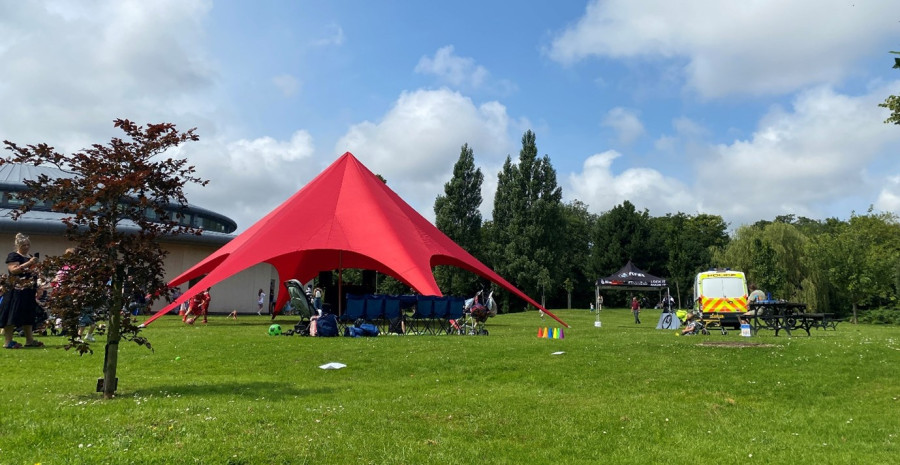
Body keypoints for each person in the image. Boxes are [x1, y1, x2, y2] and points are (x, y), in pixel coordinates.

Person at [1, 233, 43, 349]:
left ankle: (30, 340)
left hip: (29, 290)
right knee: (12, 314)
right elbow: (13, 270)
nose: (26, 247)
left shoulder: (30, 256)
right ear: (18, 245)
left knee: (28, 315)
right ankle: (8, 341)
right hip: (15, 290)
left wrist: (38, 286)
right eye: (23, 245)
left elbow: (34, 273)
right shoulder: (13, 256)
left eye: (28, 245)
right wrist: (29, 263)